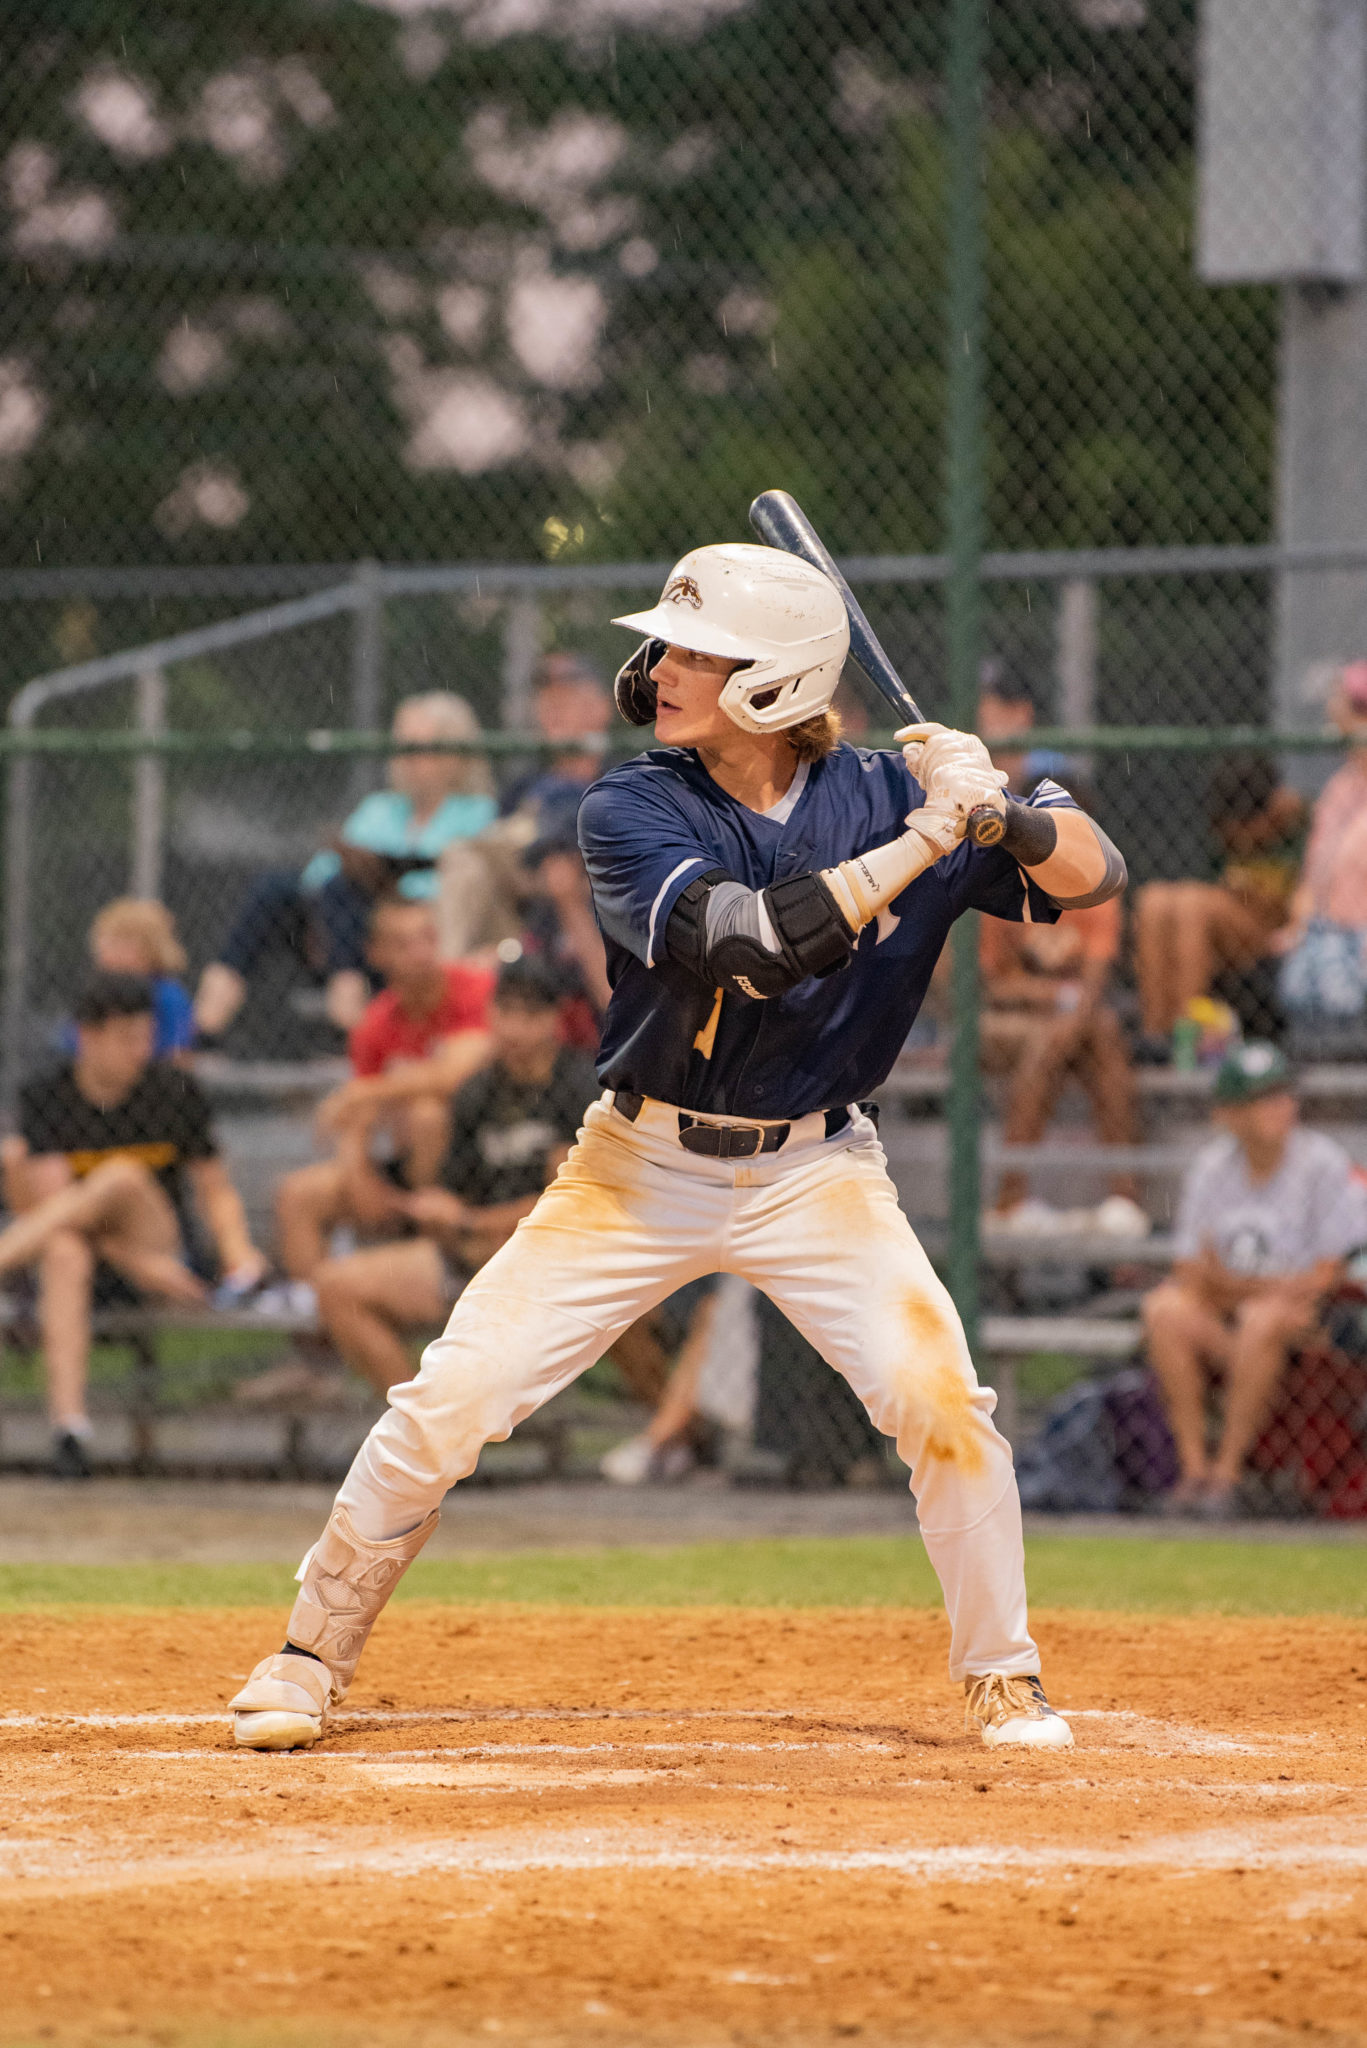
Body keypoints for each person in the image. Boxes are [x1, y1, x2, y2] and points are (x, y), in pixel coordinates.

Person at [229, 538, 1127, 1756]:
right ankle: (306, 1653)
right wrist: (931, 839)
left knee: (941, 1400)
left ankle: (1002, 1677)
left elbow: (1094, 876)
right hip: (636, 1167)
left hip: (817, 1171)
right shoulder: (630, 805)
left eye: (701, 651)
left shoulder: (890, 789)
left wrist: (1002, 810)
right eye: (668, 643)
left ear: (777, 679)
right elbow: (748, 941)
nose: (660, 666)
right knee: (451, 1397)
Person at [0, 973, 266, 1478]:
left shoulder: (174, 1090)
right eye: (127, 1039)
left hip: (167, 1255)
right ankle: (70, 1431)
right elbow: (61, 1213)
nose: (141, 1051)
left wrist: (240, 1259)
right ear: (88, 1036)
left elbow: (215, 1189)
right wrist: (134, 1262)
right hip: (112, 1261)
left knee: (121, 1177)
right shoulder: (46, 1098)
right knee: (63, 1251)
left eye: (147, 1037)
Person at [234, 897, 495, 1405]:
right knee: (299, 1194)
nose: (419, 953)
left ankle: (432, 1249)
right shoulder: (378, 1023)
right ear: (376, 954)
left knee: (426, 1112)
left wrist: (364, 1094)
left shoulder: (472, 991)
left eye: (426, 938)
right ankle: (320, 1350)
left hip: (474, 1171)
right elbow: (356, 1125)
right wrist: (357, 1175)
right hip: (406, 1170)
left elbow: (451, 1074)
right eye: (401, 943)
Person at [305, 958, 597, 1393]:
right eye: (506, 1012)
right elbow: (452, 1197)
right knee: (336, 1286)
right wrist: (438, 1213)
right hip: (477, 1255)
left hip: (551, 1264)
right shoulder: (477, 1091)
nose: (516, 1029)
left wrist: (468, 1222)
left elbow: (565, 1208)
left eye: (532, 1015)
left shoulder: (581, 1089)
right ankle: (429, 1436)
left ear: (556, 1019)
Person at [1142, 1041, 1367, 1519]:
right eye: (1262, 1098)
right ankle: (1193, 1473)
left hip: (1303, 1328)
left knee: (1263, 1319)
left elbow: (1327, 1276)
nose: (1280, 1107)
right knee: (1165, 1310)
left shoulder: (1322, 1163)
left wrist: (1234, 1287)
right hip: (1230, 1322)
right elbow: (1190, 1273)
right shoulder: (1211, 1168)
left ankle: (1227, 1477)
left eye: (1283, 1094)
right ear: (1229, 1114)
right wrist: (1255, 1290)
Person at [195, 693, 497, 1040]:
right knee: (274, 889)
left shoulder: (478, 814)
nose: (409, 761)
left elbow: (453, 890)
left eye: (421, 748)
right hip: (344, 929)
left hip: (418, 932)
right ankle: (207, 1022)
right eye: (403, 747)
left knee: (348, 891)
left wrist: (387, 883)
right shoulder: (381, 808)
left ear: (454, 756)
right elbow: (320, 874)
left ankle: (350, 1020)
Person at [981, 871, 1147, 1237]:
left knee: (1099, 1031)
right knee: (1078, 1033)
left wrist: (1064, 1025)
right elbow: (993, 987)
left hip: (1075, 1024)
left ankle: (1120, 1201)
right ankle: (1013, 1198)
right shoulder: (999, 884)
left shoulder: (1097, 883)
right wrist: (1055, 1000)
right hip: (1009, 1024)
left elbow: (1093, 987)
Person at [1134, 754, 1304, 1051]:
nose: (1241, 840)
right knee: (1153, 900)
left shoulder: (1302, 821)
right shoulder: (1222, 817)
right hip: (1229, 917)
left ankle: (1185, 1037)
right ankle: (1156, 1034)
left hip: (1279, 931)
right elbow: (1215, 882)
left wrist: (1254, 894)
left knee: (1193, 906)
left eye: (1249, 829)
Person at [1277, 662, 1367, 1028]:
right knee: (1305, 977)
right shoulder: (1339, 788)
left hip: (1359, 936)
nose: (1332, 718)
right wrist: (1300, 924)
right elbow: (1312, 875)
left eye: (1341, 707)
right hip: (1326, 932)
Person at [75, 899, 195, 1062]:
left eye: (117, 942)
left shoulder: (168, 996)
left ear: (150, 948)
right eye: (103, 940)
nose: (104, 951)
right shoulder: (97, 992)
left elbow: (178, 1055)